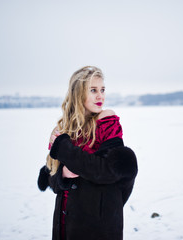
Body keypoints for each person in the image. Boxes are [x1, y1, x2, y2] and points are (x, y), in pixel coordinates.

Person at [37, 66, 138, 240]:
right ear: (78, 93)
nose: (101, 96)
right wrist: (62, 174)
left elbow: (107, 171)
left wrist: (64, 149)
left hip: (99, 227)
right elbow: (53, 182)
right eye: (93, 90)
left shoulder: (106, 121)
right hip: (66, 224)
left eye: (102, 90)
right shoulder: (63, 130)